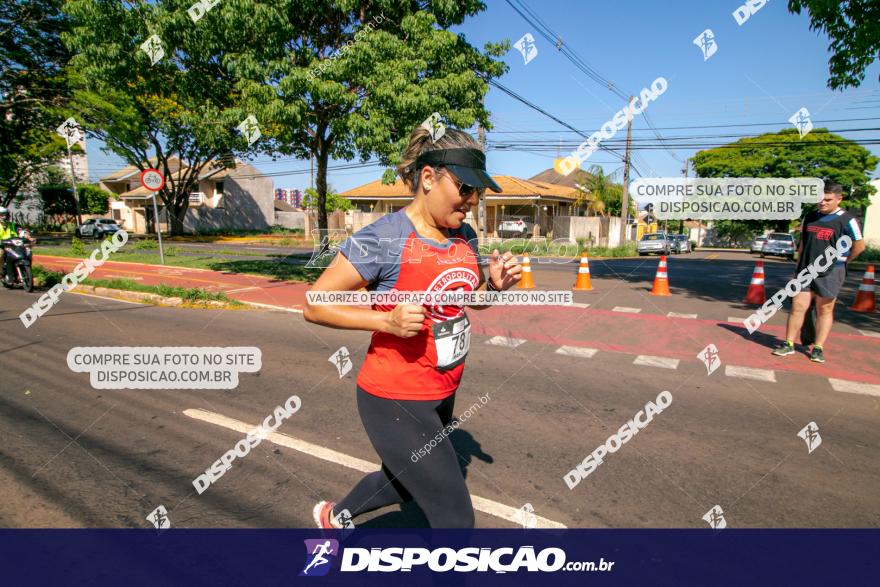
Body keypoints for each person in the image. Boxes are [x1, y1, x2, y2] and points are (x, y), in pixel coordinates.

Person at [303, 125, 522, 528]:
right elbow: (314, 305)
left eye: (477, 192)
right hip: (394, 397)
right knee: (455, 520)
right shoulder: (384, 239)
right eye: (464, 188)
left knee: (404, 481)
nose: (471, 202)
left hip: (443, 390)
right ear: (428, 178)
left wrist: (493, 285)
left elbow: (468, 296)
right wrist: (385, 319)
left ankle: (334, 517)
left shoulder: (464, 235)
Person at [772, 181, 865, 363]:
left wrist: (843, 262)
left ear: (839, 199)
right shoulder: (809, 217)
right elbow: (803, 244)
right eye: (819, 200)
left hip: (831, 272)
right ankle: (788, 343)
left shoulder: (847, 220)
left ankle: (818, 348)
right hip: (806, 270)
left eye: (828, 200)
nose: (822, 203)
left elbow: (859, 246)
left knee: (825, 309)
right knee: (798, 306)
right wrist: (798, 267)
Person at [0, 206, 25, 284]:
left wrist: (28, 236)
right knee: (0, 254)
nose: (5, 217)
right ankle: (0, 272)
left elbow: (21, 231)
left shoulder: (13, 225)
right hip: (2, 246)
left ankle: (24, 272)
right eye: (2, 215)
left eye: (6, 214)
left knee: (27, 253)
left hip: (14, 246)